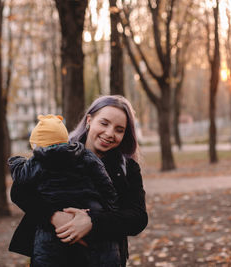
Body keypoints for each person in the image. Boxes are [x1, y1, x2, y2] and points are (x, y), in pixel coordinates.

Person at [9, 95, 148, 267]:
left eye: (119, 129)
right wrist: (54, 216)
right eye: (104, 123)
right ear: (89, 120)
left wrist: (92, 222)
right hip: (53, 255)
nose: (110, 133)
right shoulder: (60, 151)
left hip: (104, 257)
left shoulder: (127, 168)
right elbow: (19, 191)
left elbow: (137, 217)